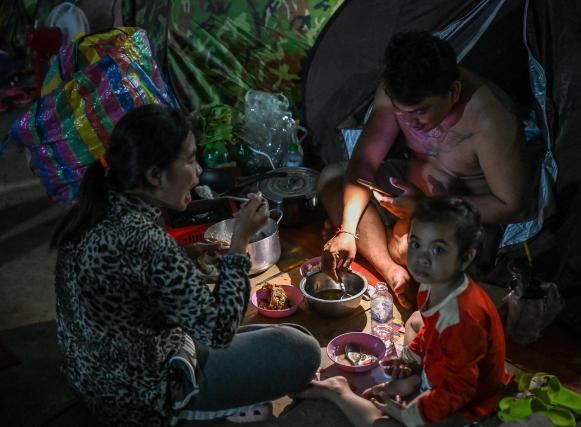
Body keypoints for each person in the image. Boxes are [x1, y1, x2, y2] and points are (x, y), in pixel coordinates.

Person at [50, 104, 321, 427]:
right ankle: (194, 413)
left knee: (283, 333)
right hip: (144, 397)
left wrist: (186, 254)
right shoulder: (145, 241)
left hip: (94, 376)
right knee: (301, 350)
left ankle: (224, 400)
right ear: (154, 175)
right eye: (191, 160)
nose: (198, 171)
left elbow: (133, 284)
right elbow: (220, 331)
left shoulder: (95, 205)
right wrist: (239, 240)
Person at [319, 31, 530, 309]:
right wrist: (346, 231)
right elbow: (364, 164)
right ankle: (392, 272)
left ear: (453, 92)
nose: (410, 122)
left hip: (458, 215)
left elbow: (513, 206)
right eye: (400, 112)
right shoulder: (395, 90)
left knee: (412, 250)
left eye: (420, 111)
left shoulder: (491, 119)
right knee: (331, 178)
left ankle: (392, 246)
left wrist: (427, 208)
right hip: (408, 191)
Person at [298, 196, 507, 427]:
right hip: (445, 372)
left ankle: (339, 393)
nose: (421, 258)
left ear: (465, 258)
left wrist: (406, 414)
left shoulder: (463, 320)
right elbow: (429, 330)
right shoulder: (432, 283)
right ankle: (415, 381)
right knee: (416, 322)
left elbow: (459, 393)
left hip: (468, 402)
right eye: (416, 244)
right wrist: (408, 363)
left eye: (438, 249)